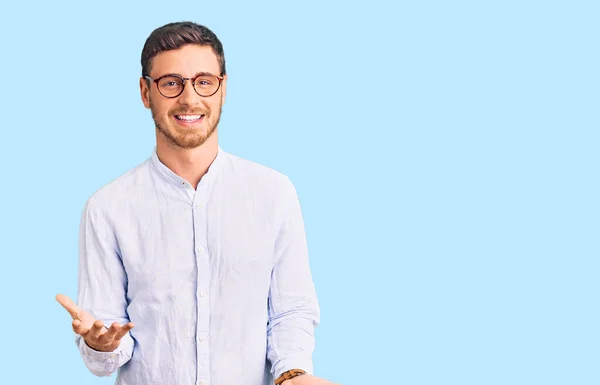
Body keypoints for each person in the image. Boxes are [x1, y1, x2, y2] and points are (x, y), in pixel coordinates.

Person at [56, 21, 338, 385]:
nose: (189, 98)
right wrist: (101, 346)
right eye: (171, 83)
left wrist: (293, 375)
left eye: (204, 81)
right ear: (145, 92)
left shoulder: (274, 193)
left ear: (223, 89)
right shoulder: (108, 208)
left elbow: (292, 310)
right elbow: (106, 351)